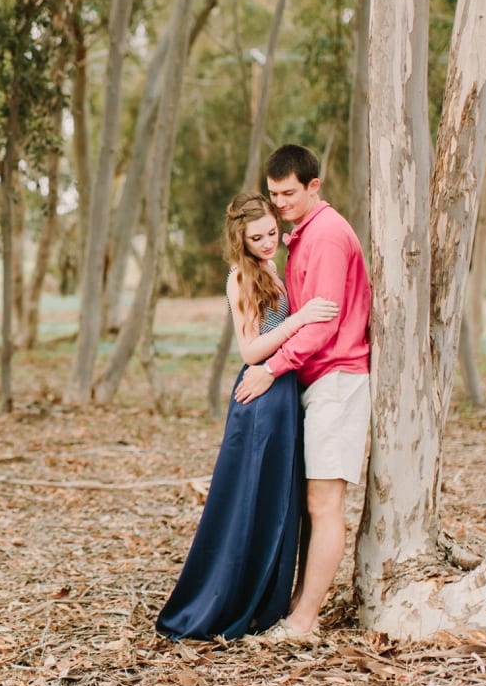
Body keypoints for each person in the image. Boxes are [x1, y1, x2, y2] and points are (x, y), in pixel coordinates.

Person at [155, 192, 339, 642]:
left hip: (284, 391)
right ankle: (226, 599)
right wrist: (300, 319)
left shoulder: (275, 267)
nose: (266, 243)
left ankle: (270, 600)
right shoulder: (240, 277)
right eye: (256, 238)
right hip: (260, 395)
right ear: (241, 239)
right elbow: (250, 349)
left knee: (280, 500)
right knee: (250, 499)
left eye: (271, 233)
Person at [234, 144, 371, 644]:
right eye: (274, 194)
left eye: (289, 193)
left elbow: (322, 323)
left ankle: (304, 621)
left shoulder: (329, 236)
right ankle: (296, 606)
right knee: (313, 502)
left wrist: (272, 369)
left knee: (325, 502)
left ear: (314, 186)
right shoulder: (301, 237)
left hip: (338, 379)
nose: (281, 203)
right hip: (315, 381)